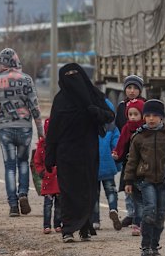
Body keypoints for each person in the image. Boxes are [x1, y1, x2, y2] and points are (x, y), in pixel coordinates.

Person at [44, 63, 115, 243]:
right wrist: (49, 155)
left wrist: (96, 112)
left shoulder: (93, 95)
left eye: (75, 73)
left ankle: (85, 226)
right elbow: (53, 129)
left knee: (88, 190)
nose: (72, 77)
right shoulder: (60, 99)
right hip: (66, 153)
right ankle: (68, 229)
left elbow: (110, 115)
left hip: (88, 152)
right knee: (68, 191)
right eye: (68, 74)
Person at [0, 48, 45, 217]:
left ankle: (13, 205)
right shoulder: (26, 79)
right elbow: (35, 107)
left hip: (5, 128)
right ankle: (23, 194)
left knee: (10, 167)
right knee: (24, 163)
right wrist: (40, 131)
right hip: (24, 128)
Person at [124, 99, 165, 256]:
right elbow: (132, 160)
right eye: (148, 115)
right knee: (149, 211)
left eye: (155, 115)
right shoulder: (138, 137)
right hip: (145, 180)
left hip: (164, 181)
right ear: (143, 117)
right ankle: (145, 247)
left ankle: (154, 245)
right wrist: (128, 181)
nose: (151, 119)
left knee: (161, 214)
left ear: (161, 117)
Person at [112, 98, 145, 236]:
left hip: (145, 168)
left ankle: (146, 221)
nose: (132, 117)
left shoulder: (146, 128)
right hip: (131, 167)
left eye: (135, 114)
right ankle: (137, 223)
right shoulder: (126, 128)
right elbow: (121, 144)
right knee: (135, 197)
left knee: (147, 197)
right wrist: (116, 154)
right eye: (130, 114)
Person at [92, 98, 122, 231]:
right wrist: (116, 158)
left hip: (93, 166)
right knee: (111, 190)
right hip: (108, 165)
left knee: (94, 194)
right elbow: (117, 144)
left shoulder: (90, 128)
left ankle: (95, 220)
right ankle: (113, 208)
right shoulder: (112, 128)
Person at [33, 118, 61, 234]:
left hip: (59, 180)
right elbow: (37, 162)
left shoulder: (60, 145)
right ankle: (46, 225)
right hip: (48, 180)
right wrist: (42, 172)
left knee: (59, 206)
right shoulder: (42, 147)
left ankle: (58, 224)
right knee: (47, 205)